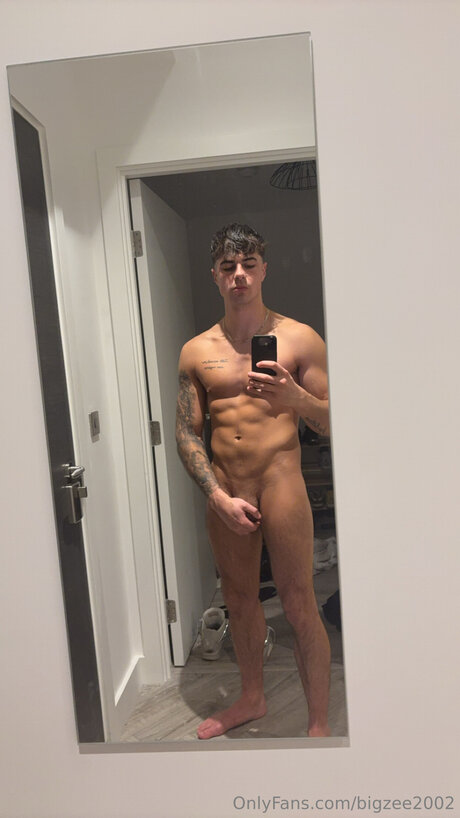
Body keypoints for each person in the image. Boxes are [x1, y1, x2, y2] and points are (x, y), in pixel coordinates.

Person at [175, 223, 331, 739]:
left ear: (263, 270)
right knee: (239, 600)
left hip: (282, 483)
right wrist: (217, 497)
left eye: (248, 264)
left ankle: (318, 723)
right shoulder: (196, 350)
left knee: (298, 601)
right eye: (228, 266)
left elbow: (333, 421)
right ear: (215, 276)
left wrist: (295, 399)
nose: (238, 275)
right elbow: (187, 432)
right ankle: (252, 698)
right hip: (227, 488)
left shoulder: (300, 338)